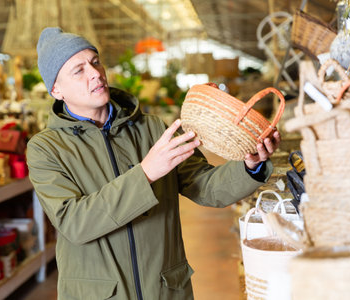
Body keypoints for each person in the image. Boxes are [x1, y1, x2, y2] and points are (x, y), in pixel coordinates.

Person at [27, 27, 281, 300]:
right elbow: (75, 223)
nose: (95, 73)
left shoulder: (151, 129)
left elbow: (205, 186)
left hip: (164, 289)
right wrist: (146, 173)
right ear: (56, 89)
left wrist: (249, 166)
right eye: (78, 70)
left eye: (95, 61)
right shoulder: (46, 149)